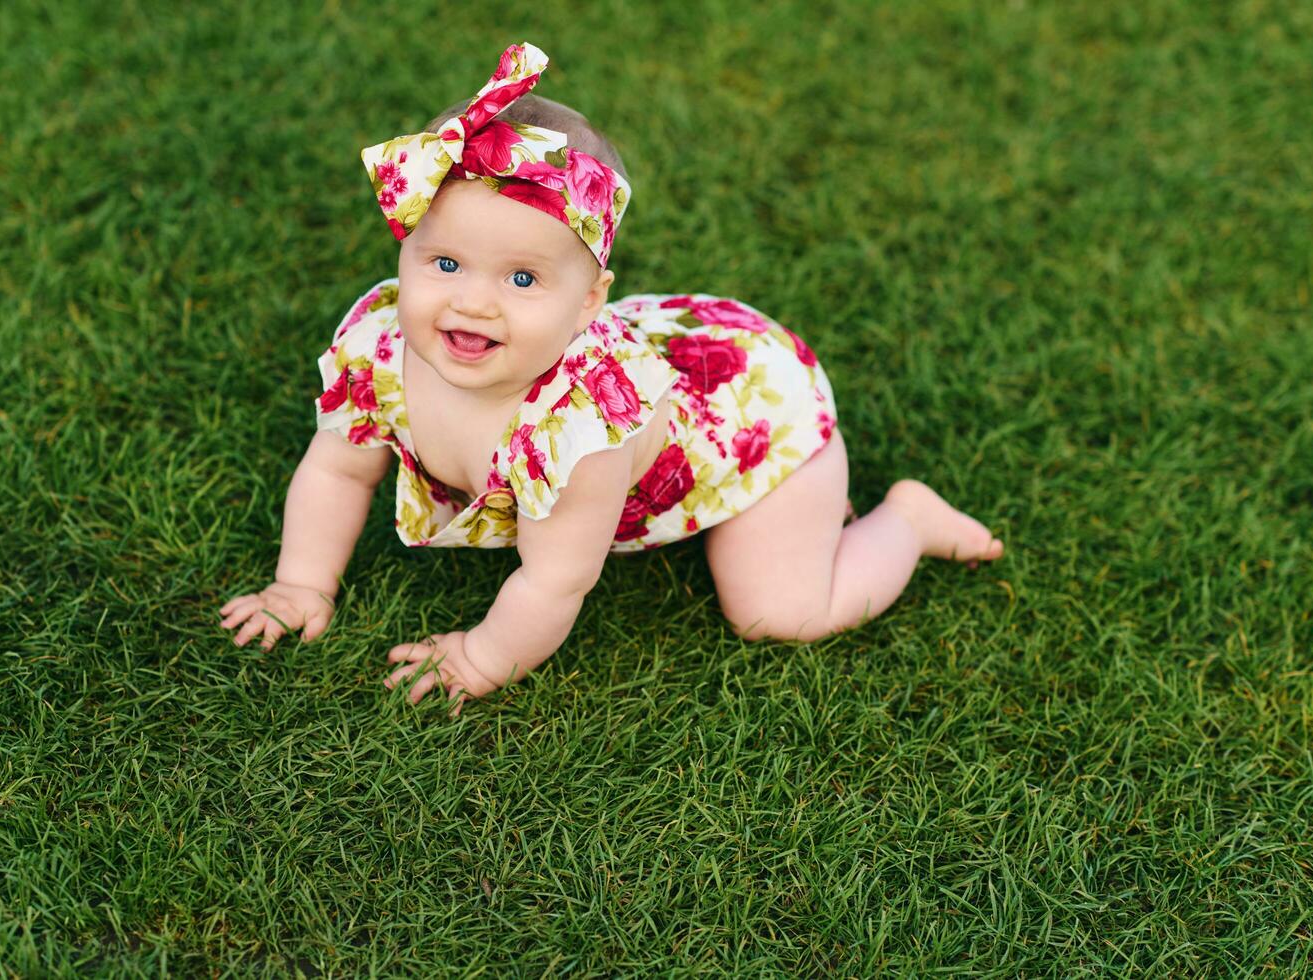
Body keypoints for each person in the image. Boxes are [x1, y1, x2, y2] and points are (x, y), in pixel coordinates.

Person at [219, 42, 1004, 713]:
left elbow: (556, 580)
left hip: (747, 419)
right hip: (677, 341)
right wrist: (301, 587)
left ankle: (905, 520)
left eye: (523, 279)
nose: (473, 301)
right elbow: (337, 471)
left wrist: (481, 658)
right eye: (446, 261)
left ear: (590, 300)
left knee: (778, 612)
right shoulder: (379, 349)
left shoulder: (581, 425)